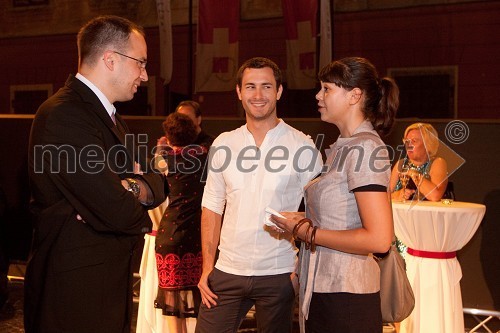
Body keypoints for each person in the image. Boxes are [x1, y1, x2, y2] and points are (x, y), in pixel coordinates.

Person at [25, 15, 166, 333]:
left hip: (101, 291)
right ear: (111, 59)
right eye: (140, 63)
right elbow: (119, 211)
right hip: (74, 299)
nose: (144, 75)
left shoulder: (110, 116)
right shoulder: (65, 115)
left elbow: (157, 184)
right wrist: (134, 189)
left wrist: (127, 185)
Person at [195, 57, 323, 333]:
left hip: (279, 274)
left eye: (266, 86)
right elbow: (212, 207)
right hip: (227, 271)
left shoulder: (302, 145)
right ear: (239, 93)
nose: (258, 95)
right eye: (250, 86)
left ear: (278, 92)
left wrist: (301, 265)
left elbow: (321, 211)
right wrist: (207, 267)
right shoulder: (224, 143)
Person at [271, 57, 399, 333]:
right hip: (327, 290)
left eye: (327, 89)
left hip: (346, 298)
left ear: (355, 95)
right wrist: (303, 218)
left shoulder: (364, 149)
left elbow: (378, 239)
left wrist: (306, 231)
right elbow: (345, 215)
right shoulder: (346, 146)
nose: (318, 96)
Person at [154, 112, 209, 332]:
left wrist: (162, 146)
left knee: (172, 303)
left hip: (170, 233)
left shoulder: (163, 158)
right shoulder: (205, 157)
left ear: (169, 137)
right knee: (202, 298)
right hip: (197, 235)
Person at [389, 122, 448, 202]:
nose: (408, 145)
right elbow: (386, 195)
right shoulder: (401, 164)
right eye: (406, 141)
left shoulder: (437, 163)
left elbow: (435, 196)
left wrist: (413, 173)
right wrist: (398, 194)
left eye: (414, 141)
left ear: (427, 145)